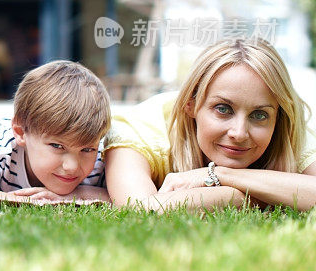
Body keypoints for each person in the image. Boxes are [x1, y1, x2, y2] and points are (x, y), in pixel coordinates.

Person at [105, 38, 316, 211]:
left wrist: (218, 175)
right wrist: (259, 195)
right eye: (223, 109)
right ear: (191, 104)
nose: (239, 133)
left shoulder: (289, 133)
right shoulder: (142, 130)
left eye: (259, 115)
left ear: (278, 116)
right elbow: (142, 210)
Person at [0, 60, 111, 203]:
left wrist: (76, 195)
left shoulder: (101, 156)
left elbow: (125, 197)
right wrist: (33, 201)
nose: (71, 166)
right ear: (21, 132)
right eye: (57, 146)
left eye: (87, 149)